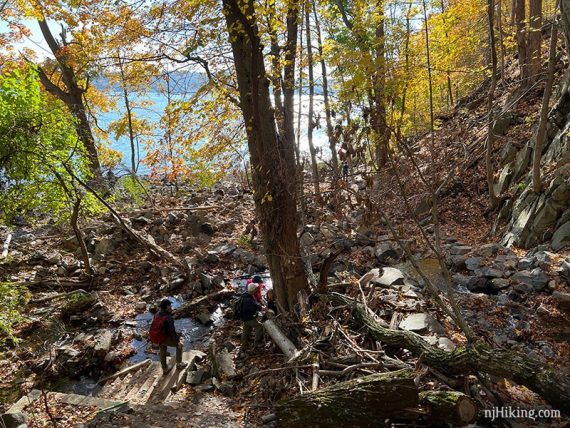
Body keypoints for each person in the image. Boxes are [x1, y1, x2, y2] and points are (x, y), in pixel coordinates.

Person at [151, 299, 187, 375]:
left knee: (162, 350)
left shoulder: (157, 314)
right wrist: (178, 342)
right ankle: (179, 364)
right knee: (180, 345)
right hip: (164, 337)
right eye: (170, 305)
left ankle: (165, 368)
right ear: (167, 307)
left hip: (158, 337)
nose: (171, 307)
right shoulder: (168, 317)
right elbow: (172, 332)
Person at [240, 282, 264, 349]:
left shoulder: (244, 295)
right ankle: (257, 343)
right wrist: (262, 308)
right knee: (259, 326)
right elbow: (254, 307)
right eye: (255, 289)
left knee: (246, 329)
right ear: (253, 290)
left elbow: (253, 306)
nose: (256, 290)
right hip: (248, 318)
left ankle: (244, 344)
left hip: (244, 317)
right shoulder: (248, 299)